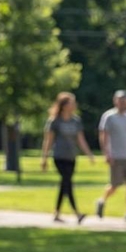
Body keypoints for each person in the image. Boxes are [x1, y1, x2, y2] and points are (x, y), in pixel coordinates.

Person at [40, 91, 94, 223]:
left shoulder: (76, 121)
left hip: (71, 157)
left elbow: (80, 139)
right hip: (59, 156)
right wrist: (44, 158)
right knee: (67, 182)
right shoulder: (54, 121)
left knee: (65, 184)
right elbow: (48, 140)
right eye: (72, 103)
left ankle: (57, 213)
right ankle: (77, 213)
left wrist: (89, 154)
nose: (74, 105)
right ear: (64, 105)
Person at [95, 90, 126, 222]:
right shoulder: (109, 117)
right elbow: (103, 136)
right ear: (115, 101)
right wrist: (106, 153)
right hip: (116, 156)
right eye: (120, 100)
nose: (123, 102)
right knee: (115, 184)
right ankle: (102, 200)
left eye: (125, 100)